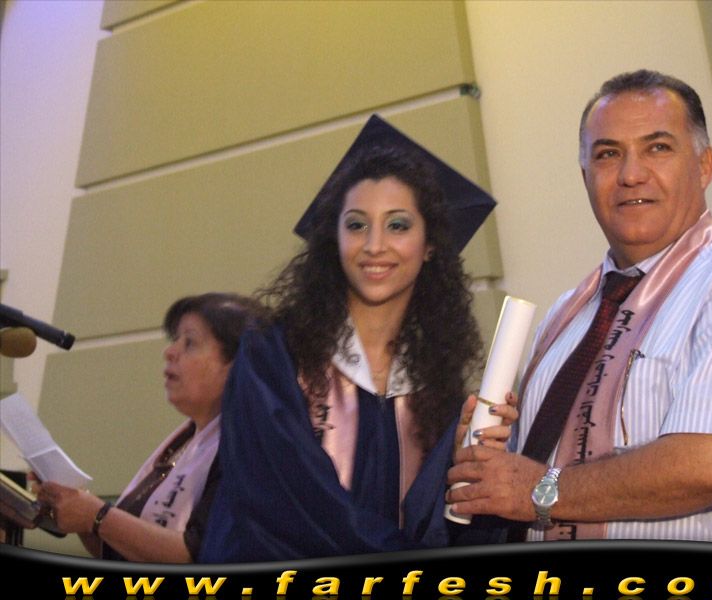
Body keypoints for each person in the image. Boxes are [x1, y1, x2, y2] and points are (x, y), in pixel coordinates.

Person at [447, 69, 712, 543]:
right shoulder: (566, 315)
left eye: (658, 148)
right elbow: (532, 476)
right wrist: (491, 458)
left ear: (704, 166)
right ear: (586, 177)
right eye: (608, 154)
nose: (631, 174)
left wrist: (538, 489)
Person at [199, 115, 514, 562]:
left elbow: (443, 531)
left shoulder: (435, 390)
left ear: (429, 245)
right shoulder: (274, 357)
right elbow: (289, 506)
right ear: (334, 238)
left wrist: (462, 465)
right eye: (356, 225)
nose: (374, 245)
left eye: (398, 225)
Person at [35, 292, 267, 562]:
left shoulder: (250, 447)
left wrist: (96, 515)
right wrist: (76, 508)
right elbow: (121, 550)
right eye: (175, 340)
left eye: (190, 342)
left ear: (237, 364)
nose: (169, 352)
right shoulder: (183, 442)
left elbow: (199, 555)